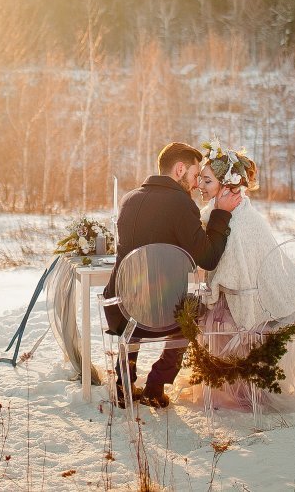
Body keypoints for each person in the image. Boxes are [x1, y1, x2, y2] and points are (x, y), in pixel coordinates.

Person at [103, 141, 242, 409]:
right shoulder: (181, 204)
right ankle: (156, 384)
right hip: (164, 315)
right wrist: (221, 214)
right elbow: (208, 258)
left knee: (138, 298)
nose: (195, 183)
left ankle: (124, 384)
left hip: (121, 311)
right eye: (194, 175)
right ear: (180, 169)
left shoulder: (128, 200)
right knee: (195, 309)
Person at [196, 141, 295, 409]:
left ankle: (237, 386)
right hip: (244, 296)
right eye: (200, 178)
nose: (200, 184)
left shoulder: (239, 220)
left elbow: (227, 273)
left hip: (247, 303)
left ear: (227, 187)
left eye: (207, 181)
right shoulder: (220, 212)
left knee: (204, 312)